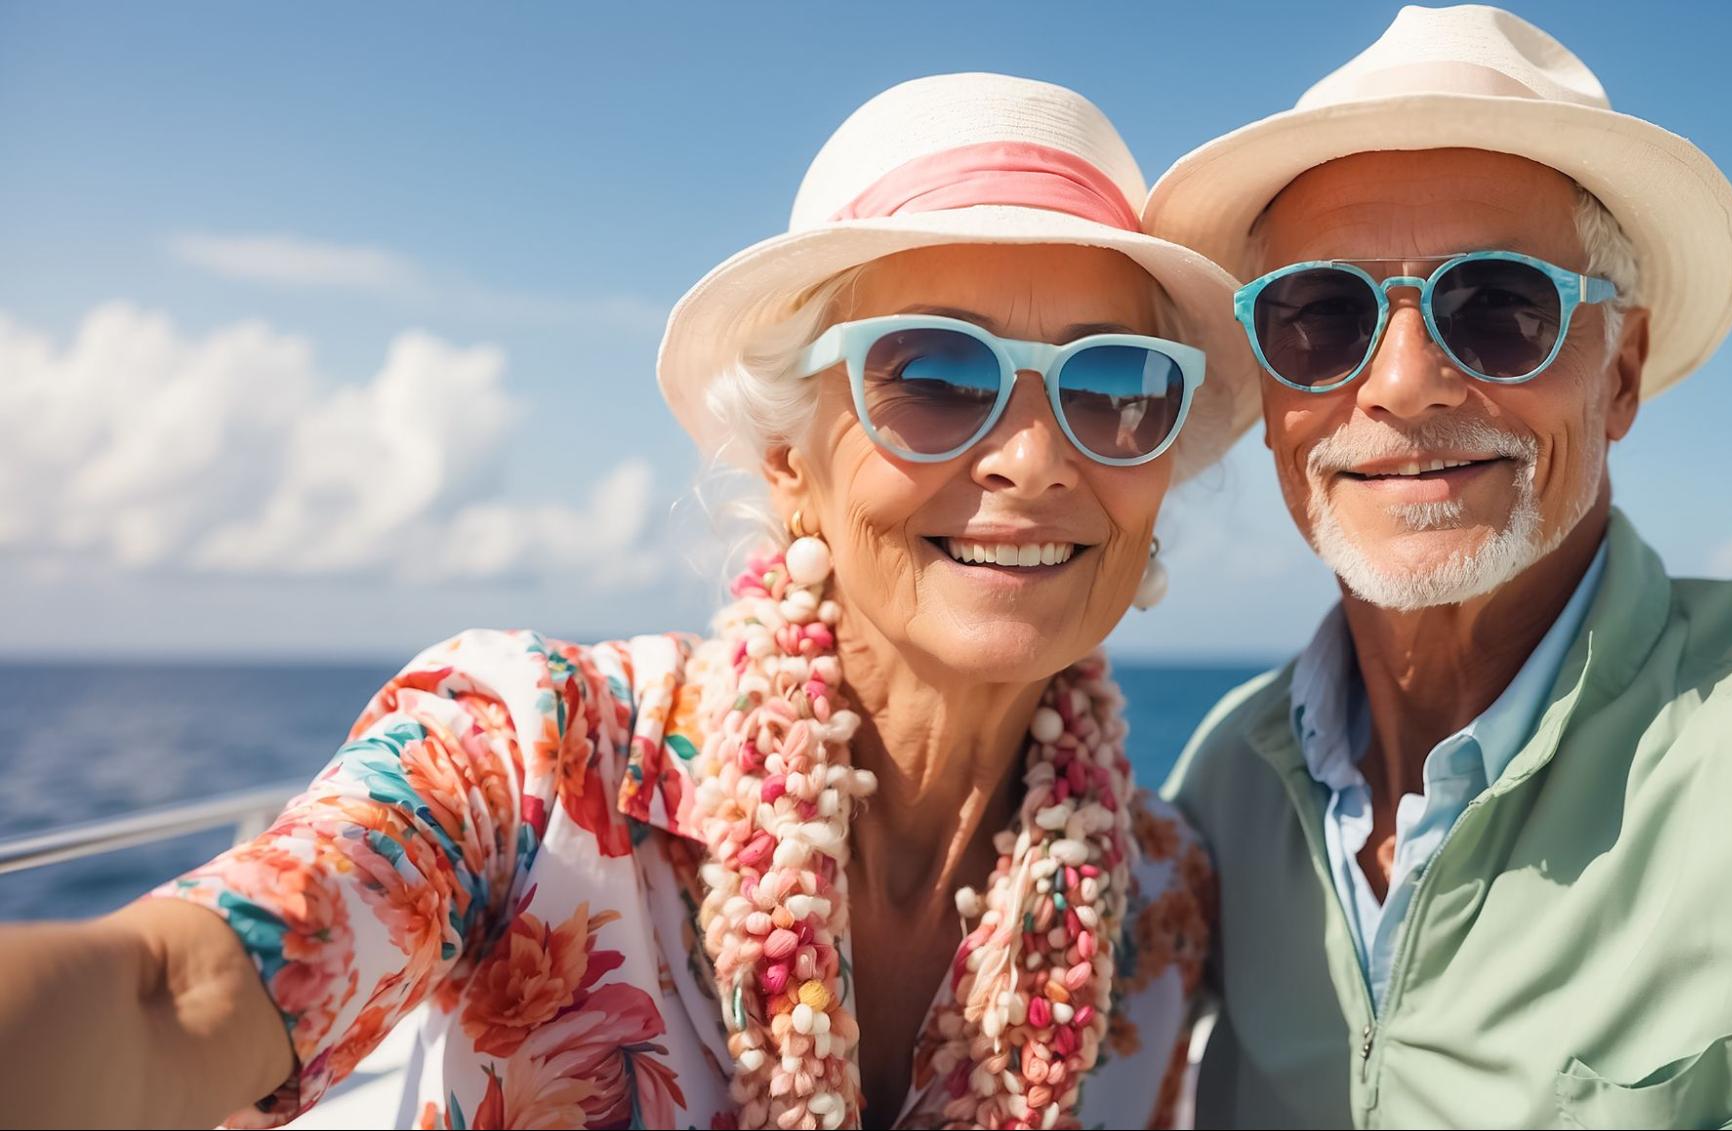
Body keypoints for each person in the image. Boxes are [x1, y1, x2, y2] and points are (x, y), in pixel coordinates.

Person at [0, 72, 1257, 1130]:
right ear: (787, 460)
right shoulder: (531, 757)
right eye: (932, 374)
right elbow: (174, 995)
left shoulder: (1159, 901)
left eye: (1113, 387)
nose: (1034, 459)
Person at [1149, 6, 1732, 1127]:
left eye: (1498, 308)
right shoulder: (1228, 783)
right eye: (1321, 315)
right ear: (1269, 390)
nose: (1404, 384)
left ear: (1621, 374)